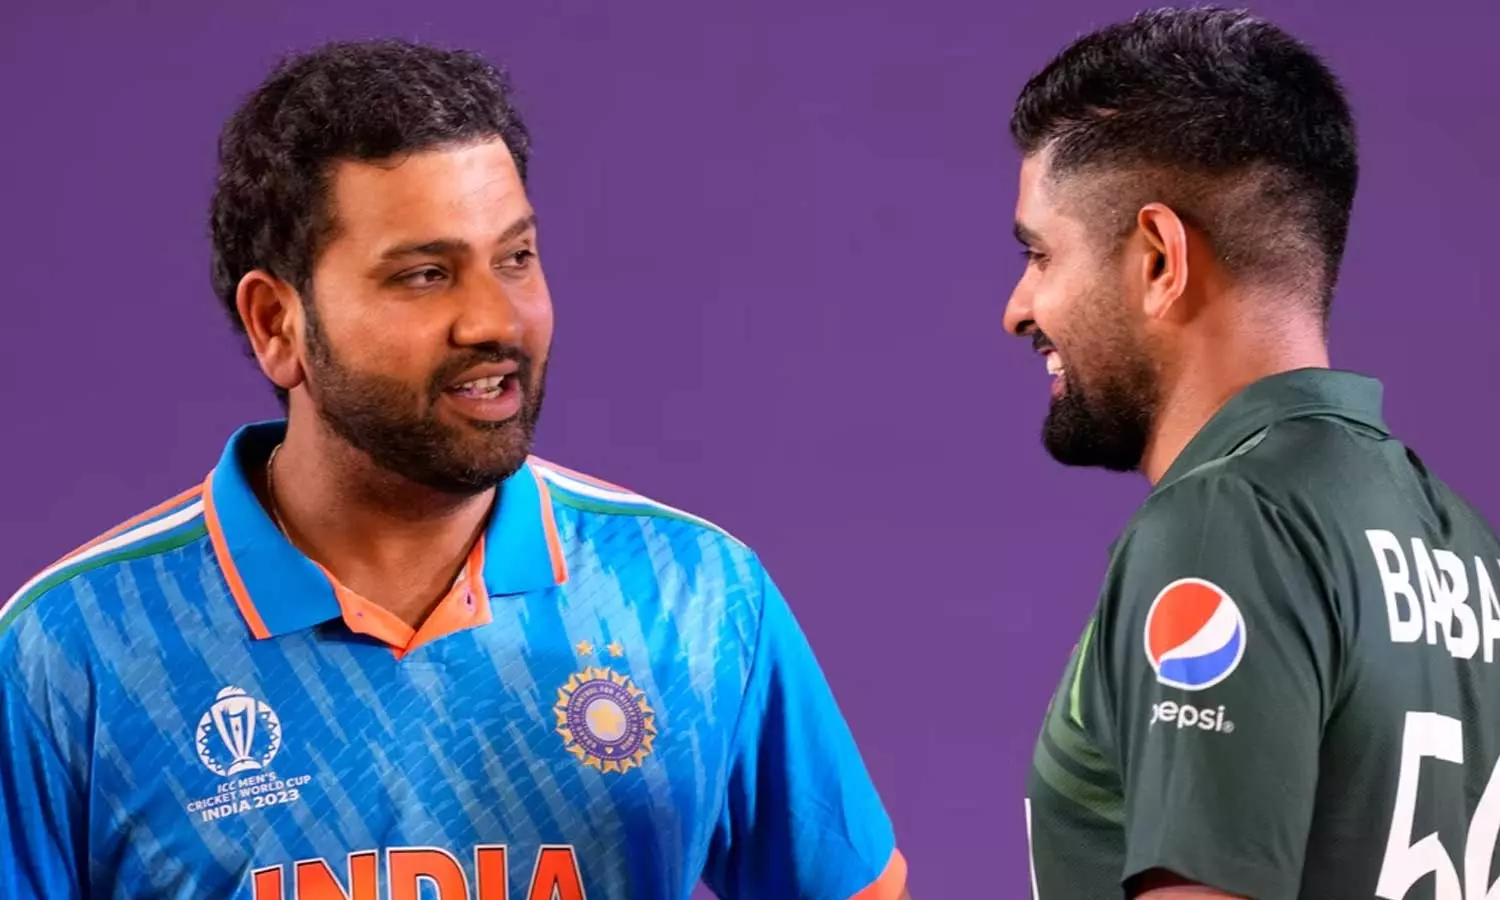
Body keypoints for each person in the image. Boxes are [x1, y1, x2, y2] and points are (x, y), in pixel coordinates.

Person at [0, 39, 909, 900]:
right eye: (425, 274)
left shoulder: (697, 596)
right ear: (278, 324)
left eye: (515, 258)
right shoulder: (72, 651)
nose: (495, 320)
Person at [1006, 8, 1500, 900]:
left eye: (1040, 256)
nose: (1018, 308)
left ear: (1159, 259)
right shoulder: (1467, 549)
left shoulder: (1222, 526)